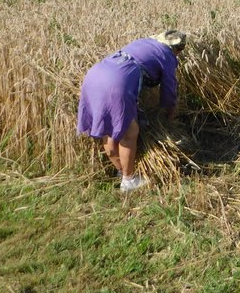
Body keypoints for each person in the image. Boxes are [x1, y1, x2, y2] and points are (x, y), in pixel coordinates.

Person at [77, 30, 187, 192]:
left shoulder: (145, 43)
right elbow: (169, 90)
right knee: (129, 133)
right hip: (116, 81)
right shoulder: (168, 55)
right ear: (178, 49)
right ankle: (129, 180)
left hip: (95, 75)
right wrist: (169, 113)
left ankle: (121, 170)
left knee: (108, 128)